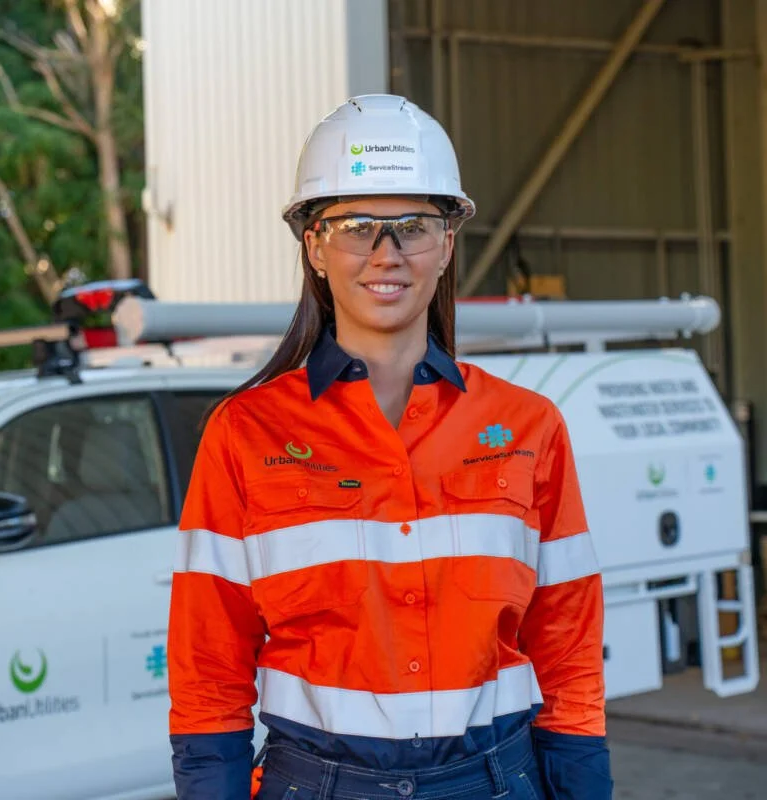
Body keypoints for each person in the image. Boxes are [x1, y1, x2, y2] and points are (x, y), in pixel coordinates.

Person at [167, 94, 612, 800]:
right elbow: (208, 669)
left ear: (447, 245)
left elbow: (568, 649)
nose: (387, 253)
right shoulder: (244, 435)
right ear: (314, 247)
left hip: (495, 781)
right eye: (356, 226)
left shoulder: (529, 428)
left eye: (413, 226)